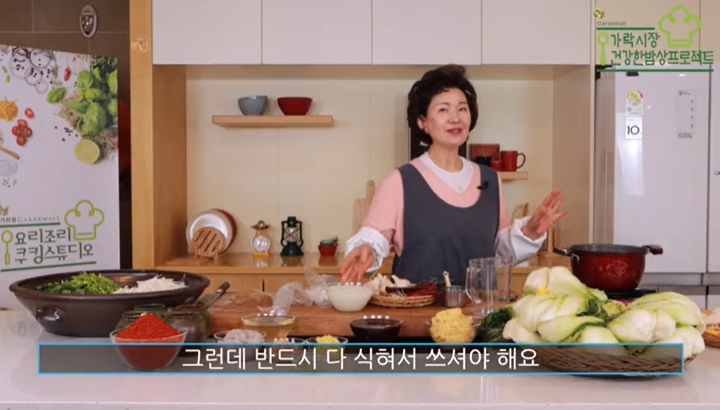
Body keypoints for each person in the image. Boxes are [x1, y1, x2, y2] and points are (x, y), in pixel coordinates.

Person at [340, 64, 566, 285]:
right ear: (422, 122)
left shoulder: (490, 180)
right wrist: (365, 248)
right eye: (443, 109)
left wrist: (530, 231)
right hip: (419, 309)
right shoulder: (400, 181)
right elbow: (374, 237)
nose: (455, 118)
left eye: (462, 108)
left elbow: (498, 253)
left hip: (480, 308)